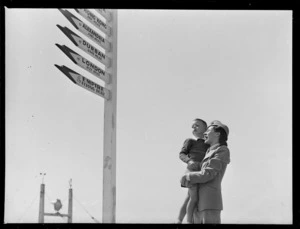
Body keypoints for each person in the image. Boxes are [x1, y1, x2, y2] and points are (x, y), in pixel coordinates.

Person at [180, 120, 230, 224]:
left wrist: (188, 176)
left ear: (217, 134)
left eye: (208, 130)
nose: (205, 133)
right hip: (198, 205)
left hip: (209, 203)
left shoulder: (222, 150)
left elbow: (208, 174)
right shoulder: (208, 151)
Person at [176, 118, 209, 224]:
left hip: (201, 173)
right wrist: (189, 161)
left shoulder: (209, 145)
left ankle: (179, 220)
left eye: (197, 125)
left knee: (190, 197)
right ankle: (189, 222)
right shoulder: (190, 141)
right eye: (192, 126)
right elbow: (182, 154)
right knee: (194, 197)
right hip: (191, 171)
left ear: (206, 128)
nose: (193, 127)